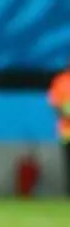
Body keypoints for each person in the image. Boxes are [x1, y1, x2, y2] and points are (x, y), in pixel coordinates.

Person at [50, 55, 70, 196]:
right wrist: (65, 113)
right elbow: (55, 103)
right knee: (68, 164)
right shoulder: (60, 81)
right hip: (66, 131)